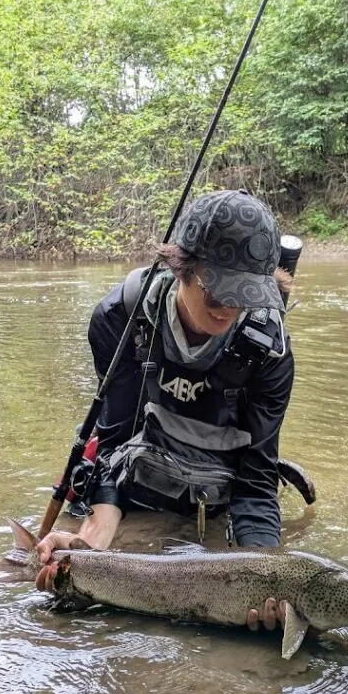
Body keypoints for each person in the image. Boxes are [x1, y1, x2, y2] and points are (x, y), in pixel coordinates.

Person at [36, 189, 296, 631]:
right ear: (182, 268)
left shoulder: (270, 354)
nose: (230, 308)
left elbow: (256, 483)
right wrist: (91, 543)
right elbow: (115, 441)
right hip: (135, 484)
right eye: (218, 291)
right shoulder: (120, 319)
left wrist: (268, 574)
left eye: (245, 295)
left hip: (217, 492)